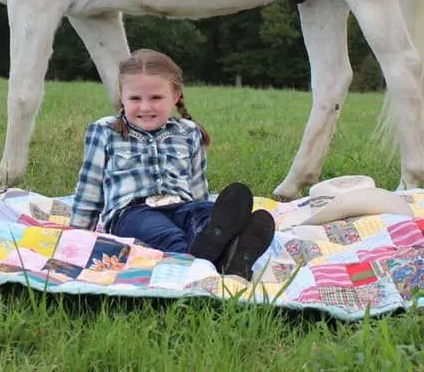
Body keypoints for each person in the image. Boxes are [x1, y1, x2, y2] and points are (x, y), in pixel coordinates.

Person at [69, 48, 275, 280]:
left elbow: (198, 185)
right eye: (135, 98)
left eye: (156, 98)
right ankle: (217, 261)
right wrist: (78, 234)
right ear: (122, 97)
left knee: (203, 222)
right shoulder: (105, 130)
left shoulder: (188, 132)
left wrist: (208, 213)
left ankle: (230, 255)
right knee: (170, 236)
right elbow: (90, 187)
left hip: (182, 206)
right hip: (132, 212)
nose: (145, 107)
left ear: (175, 96)